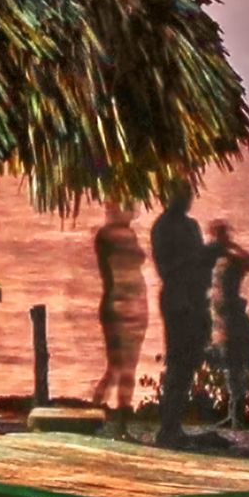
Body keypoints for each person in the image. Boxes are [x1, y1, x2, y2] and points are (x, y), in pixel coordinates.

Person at [147, 180, 215, 445]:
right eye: (182, 194)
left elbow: (202, 261)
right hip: (177, 301)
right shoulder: (163, 227)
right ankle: (169, 427)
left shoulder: (191, 226)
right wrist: (195, 259)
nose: (188, 199)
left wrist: (212, 252)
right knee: (177, 363)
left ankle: (175, 425)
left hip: (196, 299)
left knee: (189, 363)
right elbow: (166, 268)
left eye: (189, 194)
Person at [90, 201, 151, 416]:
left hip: (134, 303)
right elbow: (110, 270)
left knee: (128, 365)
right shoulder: (107, 236)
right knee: (116, 365)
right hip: (117, 303)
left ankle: (123, 410)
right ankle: (98, 407)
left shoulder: (127, 234)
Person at [207, 220, 249, 430]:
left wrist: (234, 248)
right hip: (219, 320)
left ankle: (237, 416)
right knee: (228, 365)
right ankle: (232, 413)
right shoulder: (212, 259)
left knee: (236, 364)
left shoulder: (234, 259)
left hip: (233, 317)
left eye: (222, 235)